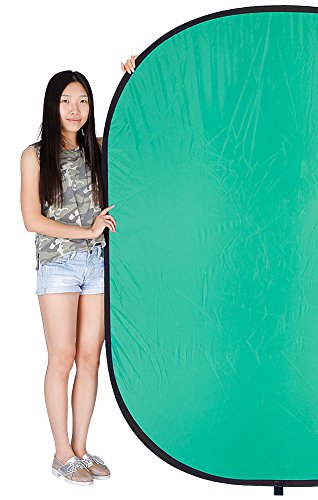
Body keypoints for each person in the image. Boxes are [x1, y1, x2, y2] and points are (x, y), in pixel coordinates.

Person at [20, 55, 137, 486]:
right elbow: (31, 220)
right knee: (62, 358)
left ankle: (81, 448)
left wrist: (135, 76)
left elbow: (136, 128)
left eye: (83, 100)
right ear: (52, 105)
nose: (75, 109)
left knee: (90, 358)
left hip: (97, 264)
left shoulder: (98, 147)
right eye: (66, 100)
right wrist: (86, 231)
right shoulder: (34, 156)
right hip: (58, 266)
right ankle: (61, 453)